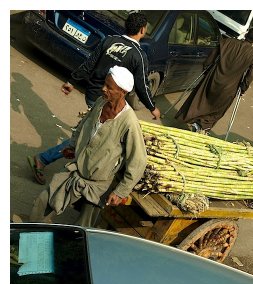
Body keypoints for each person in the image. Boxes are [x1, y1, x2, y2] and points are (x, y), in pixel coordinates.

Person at [27, 12, 160, 185]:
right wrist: (152, 107)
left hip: (92, 93)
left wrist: (72, 81)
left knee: (88, 133)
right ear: (142, 30)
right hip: (107, 101)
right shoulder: (138, 55)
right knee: (87, 137)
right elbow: (142, 85)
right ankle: (45, 161)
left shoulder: (109, 40)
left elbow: (90, 63)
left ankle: (56, 163)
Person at [29, 66, 147, 226]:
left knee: (82, 228)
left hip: (98, 183)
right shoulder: (100, 102)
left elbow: (138, 161)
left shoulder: (129, 122)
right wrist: (72, 147)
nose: (103, 89)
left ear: (123, 92)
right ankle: (29, 233)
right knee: (44, 201)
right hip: (77, 169)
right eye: (104, 84)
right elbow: (83, 124)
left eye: (109, 88)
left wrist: (121, 191)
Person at [174, 28, 253, 133]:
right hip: (229, 88)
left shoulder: (228, 41)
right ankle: (201, 125)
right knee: (217, 110)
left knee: (200, 99)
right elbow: (250, 75)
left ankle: (191, 119)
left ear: (246, 34)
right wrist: (243, 88)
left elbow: (213, 54)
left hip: (213, 77)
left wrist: (206, 68)